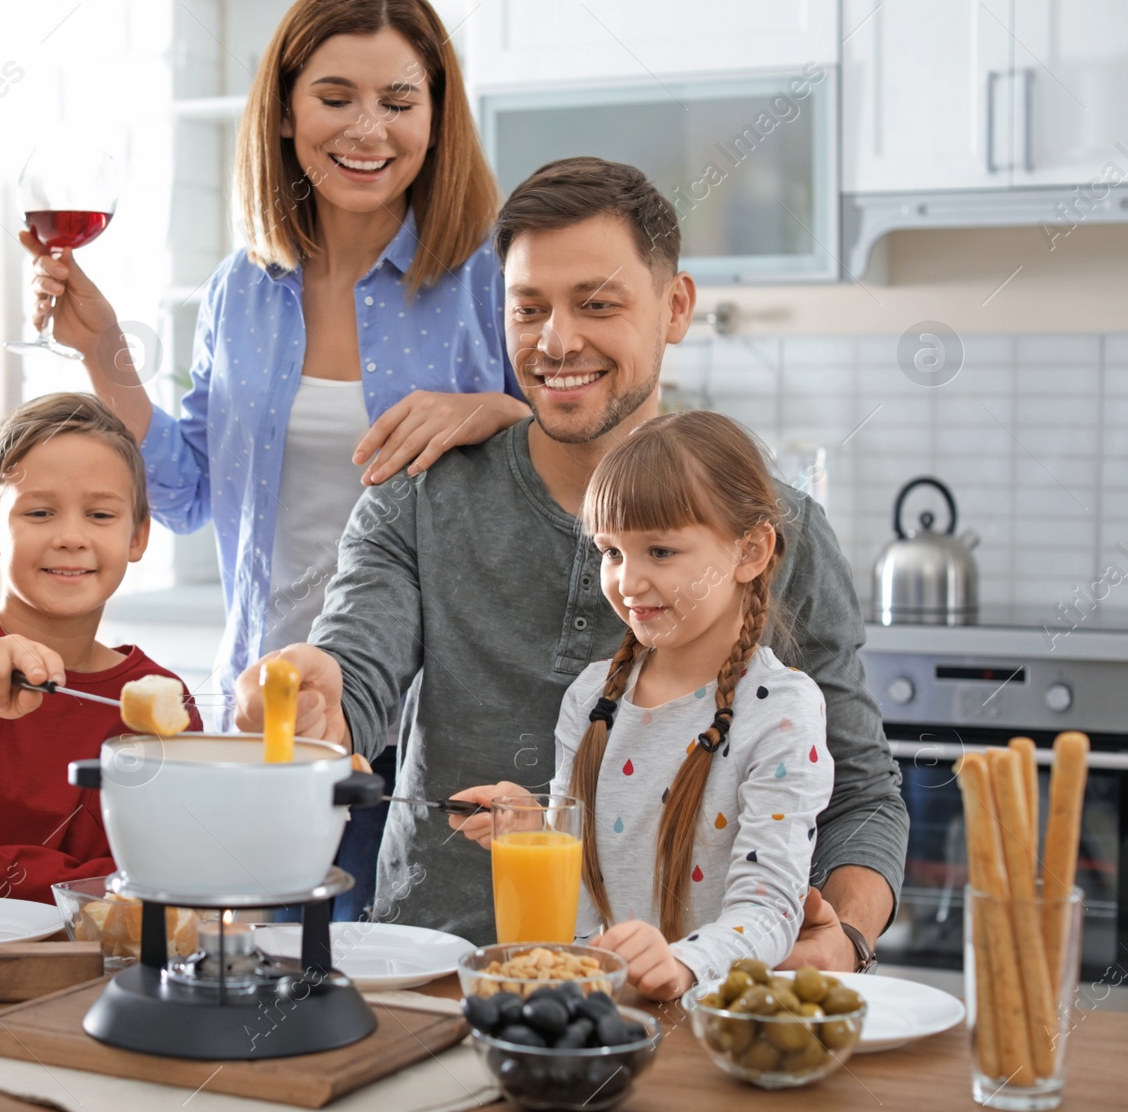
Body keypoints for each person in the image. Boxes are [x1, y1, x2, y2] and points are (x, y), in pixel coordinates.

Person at [235, 157, 908, 967]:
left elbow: (863, 792)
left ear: (675, 307)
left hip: (678, 999)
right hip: (432, 975)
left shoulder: (773, 529)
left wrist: (851, 938)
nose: (557, 340)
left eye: (597, 304)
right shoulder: (421, 495)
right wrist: (320, 696)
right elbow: (356, 675)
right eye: (529, 309)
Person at [20, 0, 526, 919]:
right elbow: (183, 497)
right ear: (286, 112)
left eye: (399, 102)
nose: (368, 129)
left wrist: (494, 409)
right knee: (274, 975)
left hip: (434, 724)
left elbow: (574, 476)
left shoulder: (489, 278)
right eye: (336, 97)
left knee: (425, 994)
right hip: (269, 719)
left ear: (438, 118)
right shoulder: (239, 290)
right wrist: (106, 353)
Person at [448, 410, 834, 1001]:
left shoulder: (781, 711)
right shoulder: (592, 697)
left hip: (707, 1025)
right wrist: (535, 828)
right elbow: (585, 887)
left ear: (751, 551)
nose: (627, 583)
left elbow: (771, 909)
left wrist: (679, 964)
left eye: (659, 551)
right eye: (611, 553)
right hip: (597, 1015)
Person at [0, 393, 200, 903]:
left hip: (93, 966)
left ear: (138, 537)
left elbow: (155, 879)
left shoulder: (161, 702)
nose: (71, 536)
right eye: (40, 512)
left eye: (100, 515)